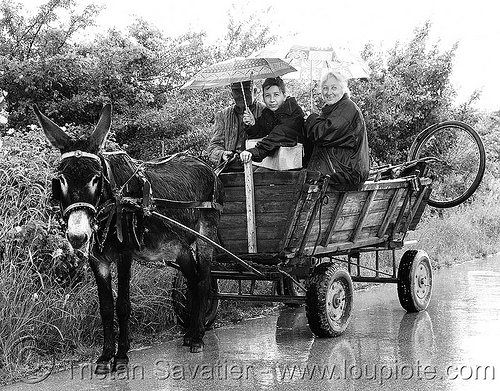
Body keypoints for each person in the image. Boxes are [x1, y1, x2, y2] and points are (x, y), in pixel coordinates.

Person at [304, 70, 369, 184]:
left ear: (343, 89)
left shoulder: (347, 108)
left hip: (346, 172)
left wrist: (311, 119)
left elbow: (321, 134)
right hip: (336, 169)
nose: (329, 92)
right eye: (325, 88)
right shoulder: (332, 109)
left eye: (334, 88)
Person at [239, 77, 305, 164]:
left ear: (284, 96)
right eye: (267, 96)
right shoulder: (268, 113)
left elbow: (278, 135)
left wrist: (255, 151)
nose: (272, 100)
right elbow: (260, 131)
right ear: (263, 98)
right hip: (275, 164)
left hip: (298, 164)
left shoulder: (293, 113)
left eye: (276, 95)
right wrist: (252, 124)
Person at [203, 80, 265, 171]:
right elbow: (213, 147)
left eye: (246, 90)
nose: (241, 95)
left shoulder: (265, 111)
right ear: (232, 95)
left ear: (254, 92)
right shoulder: (223, 115)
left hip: (258, 166)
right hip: (230, 166)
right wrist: (222, 154)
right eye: (237, 91)